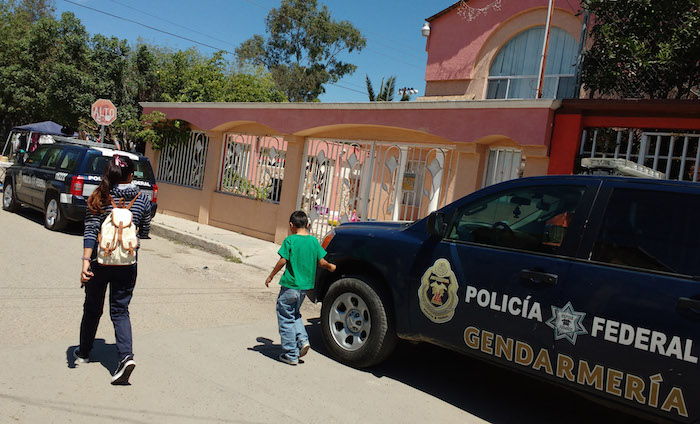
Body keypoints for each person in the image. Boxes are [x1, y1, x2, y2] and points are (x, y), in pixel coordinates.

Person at [75, 155, 152, 385]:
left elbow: (90, 231)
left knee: (92, 308)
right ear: (131, 176)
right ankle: (126, 357)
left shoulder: (99, 197)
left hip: (100, 262)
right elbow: (145, 230)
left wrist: (85, 262)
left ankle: (84, 352)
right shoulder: (142, 199)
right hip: (127, 264)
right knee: (120, 311)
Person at [265, 211, 336, 365]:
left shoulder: (290, 241)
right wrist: (331, 267)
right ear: (308, 225)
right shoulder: (313, 241)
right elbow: (322, 262)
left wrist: (271, 275)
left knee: (285, 317)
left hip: (289, 286)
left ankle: (291, 354)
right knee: (294, 314)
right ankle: (303, 340)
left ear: (291, 225)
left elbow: (283, 261)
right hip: (304, 289)